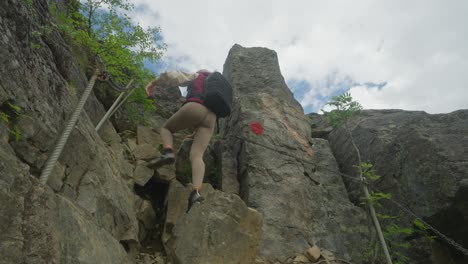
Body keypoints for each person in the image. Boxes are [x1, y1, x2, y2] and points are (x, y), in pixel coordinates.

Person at [145, 70, 217, 213]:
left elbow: (174, 76)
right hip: (211, 119)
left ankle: (168, 152)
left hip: (195, 107)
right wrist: (195, 133)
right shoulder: (215, 88)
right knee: (197, 156)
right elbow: (204, 116)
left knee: (166, 129)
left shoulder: (198, 76)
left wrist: (153, 83)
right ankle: (195, 193)